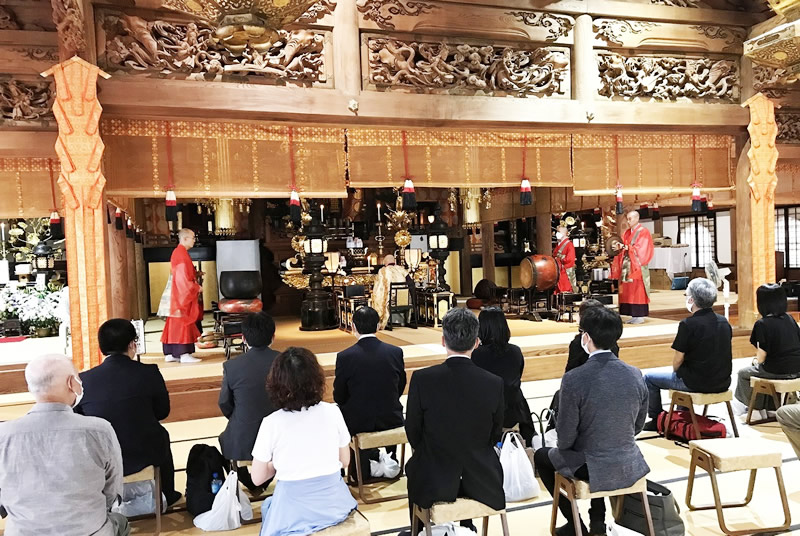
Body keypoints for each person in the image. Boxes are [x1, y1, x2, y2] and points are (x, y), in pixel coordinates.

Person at [534, 307, 649, 536]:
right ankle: (597, 521)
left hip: (592, 465)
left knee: (542, 456)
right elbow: (637, 426)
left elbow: (565, 438)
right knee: (598, 446)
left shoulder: (574, 379)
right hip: (629, 461)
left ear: (585, 337)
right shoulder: (635, 373)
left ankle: (576, 525)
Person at [0, 354, 129, 536]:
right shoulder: (99, 430)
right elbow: (112, 491)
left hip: (23, 532)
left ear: (31, 387)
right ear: (71, 383)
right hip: (89, 531)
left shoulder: (3, 435)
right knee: (120, 522)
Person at [405, 308, 505, 524]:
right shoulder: (493, 383)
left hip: (434, 475)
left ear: (443, 340)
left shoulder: (423, 379)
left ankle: (421, 529)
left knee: (414, 468)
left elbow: (413, 431)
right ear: (477, 342)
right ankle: (467, 528)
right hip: (482, 477)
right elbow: (495, 432)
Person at [251, 347, 357, 536]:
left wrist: (276, 464)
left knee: (269, 508)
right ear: (317, 379)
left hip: (293, 511)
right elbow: (345, 461)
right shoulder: (333, 411)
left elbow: (257, 478)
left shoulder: (272, 423)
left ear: (276, 384)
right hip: (334, 505)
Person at [76, 318, 182, 506]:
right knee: (161, 435)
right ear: (133, 344)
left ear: (101, 348)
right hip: (145, 452)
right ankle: (167, 492)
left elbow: (79, 421)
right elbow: (162, 412)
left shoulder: (84, 380)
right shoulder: (149, 372)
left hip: (102, 457)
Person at [642, 278, 732, 430]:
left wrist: (677, 375)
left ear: (692, 299)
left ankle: (657, 418)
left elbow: (677, 360)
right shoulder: (724, 322)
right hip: (723, 381)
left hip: (696, 382)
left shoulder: (688, 324)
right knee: (686, 372)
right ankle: (681, 417)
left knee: (649, 378)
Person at [333, 306, 406, 477]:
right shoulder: (395, 352)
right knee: (387, 403)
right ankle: (392, 461)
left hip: (358, 421)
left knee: (342, 411)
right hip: (391, 417)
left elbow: (339, 395)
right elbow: (399, 386)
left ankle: (359, 470)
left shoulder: (345, 357)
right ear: (378, 325)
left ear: (353, 327)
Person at [219, 312, 279, 491]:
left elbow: (224, 404)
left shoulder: (232, 367)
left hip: (244, 438)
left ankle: (253, 483)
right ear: (273, 337)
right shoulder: (285, 361)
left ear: (243, 338)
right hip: (280, 437)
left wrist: (241, 416)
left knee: (225, 441)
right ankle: (262, 481)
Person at [547, 300, 621, 430]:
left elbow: (570, 374)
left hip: (584, 394)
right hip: (609, 393)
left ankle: (552, 429)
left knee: (561, 396)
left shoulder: (578, 343)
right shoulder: (612, 343)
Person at [472, 306, 535, 445]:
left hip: (487, 414)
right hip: (515, 411)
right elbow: (517, 376)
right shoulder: (515, 351)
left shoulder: (476, 355)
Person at [734, 284, 800, 413]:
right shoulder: (790, 318)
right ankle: (770, 404)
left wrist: (755, 362)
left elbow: (761, 357)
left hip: (778, 370)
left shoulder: (762, 324)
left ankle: (755, 407)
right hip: (798, 367)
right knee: (760, 370)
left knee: (743, 373)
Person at [161, 228, 203, 363]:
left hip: (177, 291)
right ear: (185, 239)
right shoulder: (181, 254)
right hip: (181, 294)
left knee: (174, 323)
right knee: (183, 322)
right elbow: (182, 278)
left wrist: (196, 275)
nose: (194, 240)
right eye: (192, 237)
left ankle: (171, 353)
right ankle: (183, 353)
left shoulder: (180, 252)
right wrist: (196, 287)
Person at [611, 210, 654, 324]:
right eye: (628, 219)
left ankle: (639, 315)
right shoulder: (626, 233)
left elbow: (641, 249)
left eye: (631, 219)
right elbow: (624, 246)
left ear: (637, 219)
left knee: (637, 290)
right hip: (627, 265)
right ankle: (633, 314)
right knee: (628, 291)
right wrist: (619, 247)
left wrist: (625, 247)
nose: (628, 221)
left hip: (637, 266)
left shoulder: (643, 232)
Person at [371, 254, 410, 329]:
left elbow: (379, 286)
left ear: (385, 263)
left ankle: (382, 321)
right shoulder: (401, 269)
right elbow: (410, 283)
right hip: (405, 299)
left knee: (378, 297)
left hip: (392, 300)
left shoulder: (383, 271)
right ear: (394, 261)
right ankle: (403, 321)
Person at [554, 226, 577, 293]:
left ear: (564, 233)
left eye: (559, 232)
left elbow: (570, 259)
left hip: (565, 271)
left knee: (566, 288)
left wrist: (560, 259)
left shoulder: (569, 244)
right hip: (558, 270)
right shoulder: (558, 244)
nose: (557, 234)